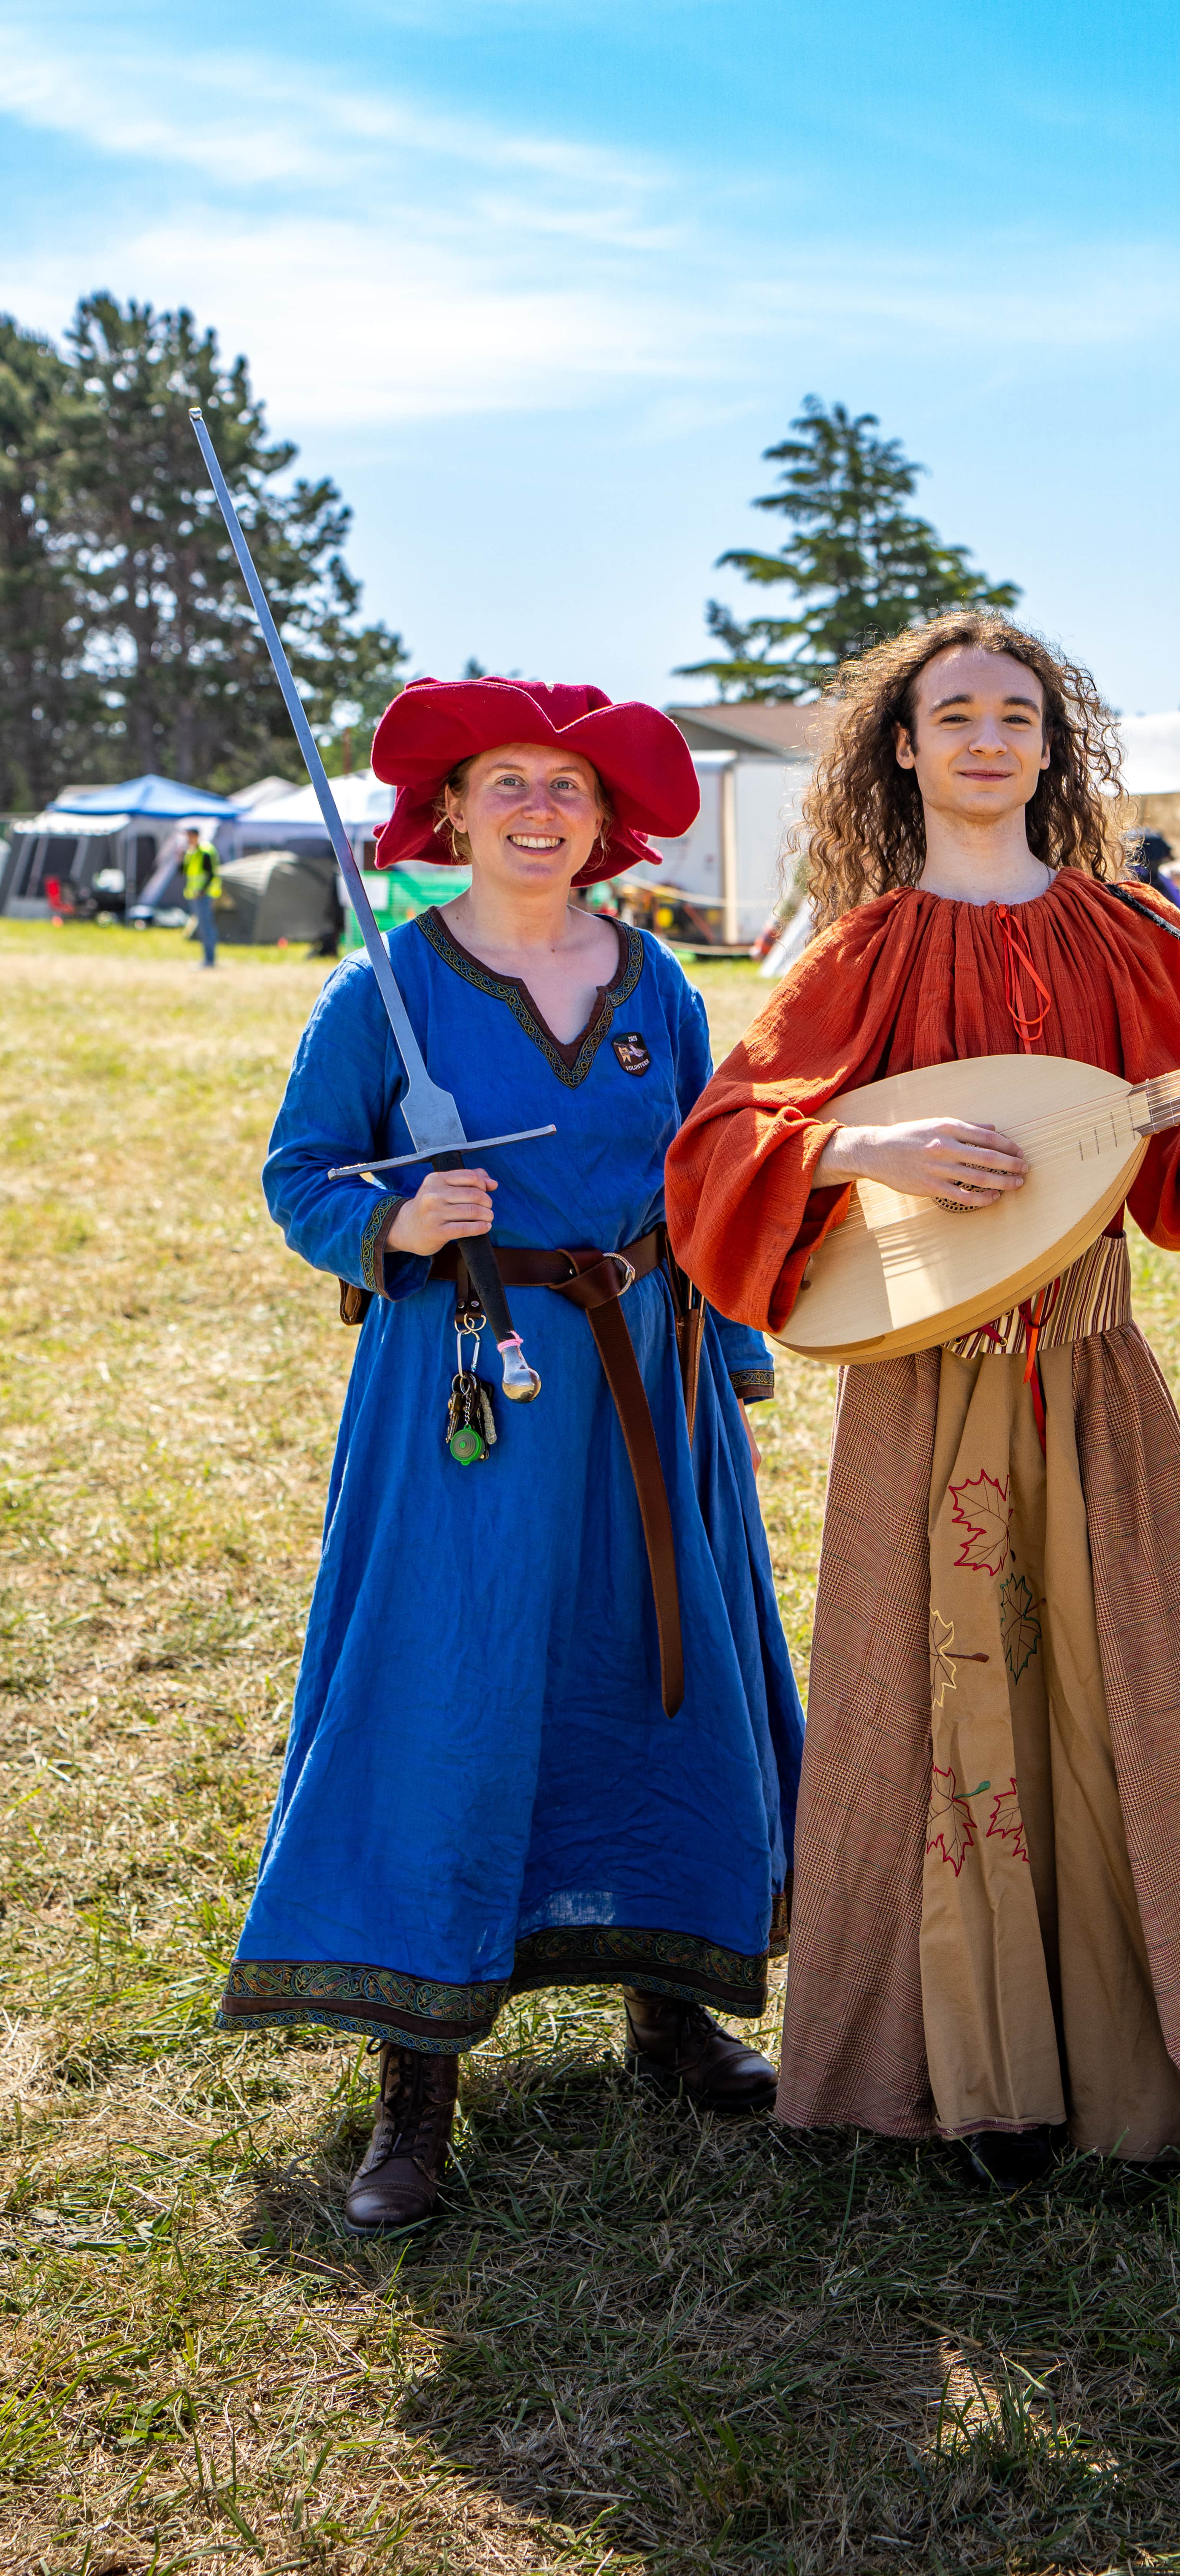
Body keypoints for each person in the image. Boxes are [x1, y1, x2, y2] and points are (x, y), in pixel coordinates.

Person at [668, 610, 1180, 2198]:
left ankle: (1137, 2064)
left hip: (1090, 1363)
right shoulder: (862, 949)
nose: (985, 739)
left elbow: (1170, 1169)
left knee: (1136, 1690)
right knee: (928, 1692)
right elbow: (722, 1144)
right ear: (902, 749)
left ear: (1052, 747)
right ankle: (957, 2075)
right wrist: (861, 1150)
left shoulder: (1134, 939)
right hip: (921, 1382)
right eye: (952, 714)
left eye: (1016, 716)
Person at [222, 675, 804, 2233]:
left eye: (568, 789)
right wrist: (392, 1221)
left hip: (647, 1394)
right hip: (468, 1397)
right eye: (508, 785)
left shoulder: (657, 983)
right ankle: (419, 2083)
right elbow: (298, 1176)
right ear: (454, 815)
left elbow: (704, 1183)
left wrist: (726, 1360)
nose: (540, 811)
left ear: (606, 825)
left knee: (648, 1677)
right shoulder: (382, 996)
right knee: (454, 1693)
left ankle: (671, 2010)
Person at [181, 825, 221, 968]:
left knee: (206, 926)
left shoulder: (205, 851)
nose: (187, 839)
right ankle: (208, 958)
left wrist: (203, 891)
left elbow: (212, 874)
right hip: (194, 895)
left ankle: (210, 960)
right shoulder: (191, 852)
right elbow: (184, 872)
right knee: (203, 926)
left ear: (196, 836)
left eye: (189, 836)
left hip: (204, 895)